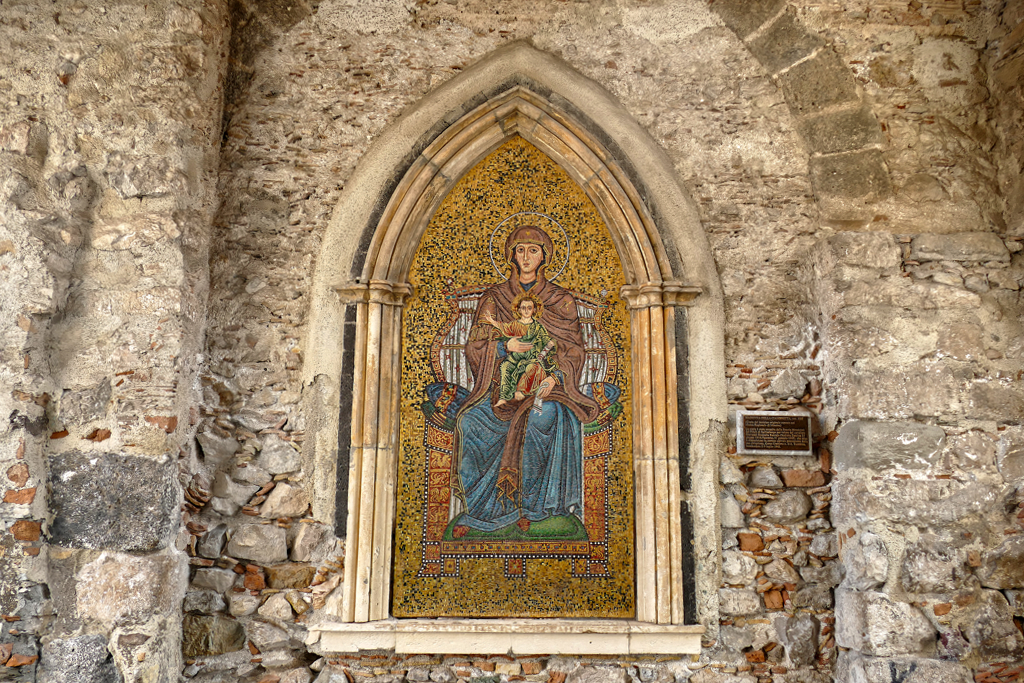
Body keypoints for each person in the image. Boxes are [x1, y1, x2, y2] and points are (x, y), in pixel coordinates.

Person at [451, 225, 600, 538]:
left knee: (542, 417)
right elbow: (475, 346)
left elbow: (573, 350)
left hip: (548, 388)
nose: (527, 256)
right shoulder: (495, 299)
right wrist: (504, 347)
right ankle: (482, 512)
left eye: (534, 250)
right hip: (500, 390)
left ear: (545, 255)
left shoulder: (560, 300)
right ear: (510, 255)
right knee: (469, 422)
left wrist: (554, 377)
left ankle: (533, 509)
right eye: (520, 250)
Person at [481, 293, 557, 408]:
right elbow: (504, 328)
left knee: (532, 368)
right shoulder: (515, 325)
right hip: (515, 358)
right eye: (523, 308)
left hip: (531, 358)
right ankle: (503, 397)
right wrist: (491, 321)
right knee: (505, 366)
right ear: (519, 310)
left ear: (534, 310)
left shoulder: (538, 327)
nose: (526, 311)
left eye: (529, 308)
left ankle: (521, 391)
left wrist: (551, 343)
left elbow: (546, 340)